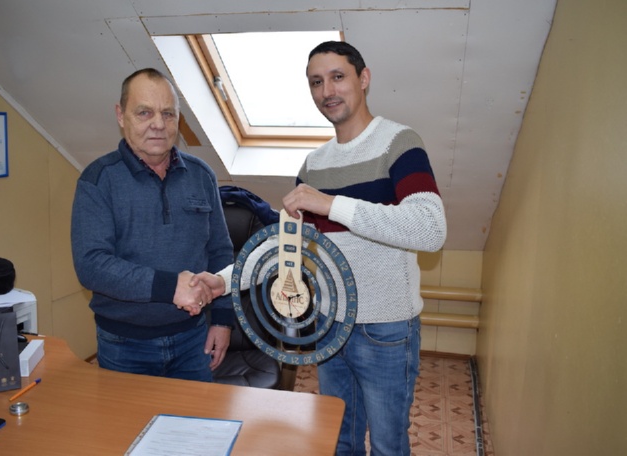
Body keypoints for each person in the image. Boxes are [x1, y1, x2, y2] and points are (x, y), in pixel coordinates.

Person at [196, 41, 447, 455]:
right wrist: (223, 281)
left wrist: (332, 205)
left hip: (386, 329)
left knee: (388, 446)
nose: (327, 91)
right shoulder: (313, 165)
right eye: (316, 82)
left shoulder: (399, 143)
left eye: (337, 77)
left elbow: (430, 228)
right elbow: (285, 246)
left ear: (363, 79)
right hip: (330, 326)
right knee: (339, 440)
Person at [71, 68, 234, 382]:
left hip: (194, 339)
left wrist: (222, 320)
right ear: (121, 116)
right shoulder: (98, 180)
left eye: (168, 114)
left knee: (196, 415)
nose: (158, 124)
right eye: (144, 112)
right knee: (128, 417)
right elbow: (91, 265)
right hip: (125, 345)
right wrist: (169, 287)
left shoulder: (202, 175)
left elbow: (220, 252)